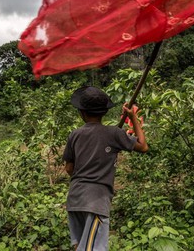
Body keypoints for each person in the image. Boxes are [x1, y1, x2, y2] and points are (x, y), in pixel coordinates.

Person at [63, 86, 148, 251]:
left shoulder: (75, 134)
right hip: (96, 202)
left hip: (75, 200)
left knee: (81, 246)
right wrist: (133, 117)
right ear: (104, 112)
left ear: (82, 112)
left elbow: (69, 168)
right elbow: (143, 146)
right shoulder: (114, 133)